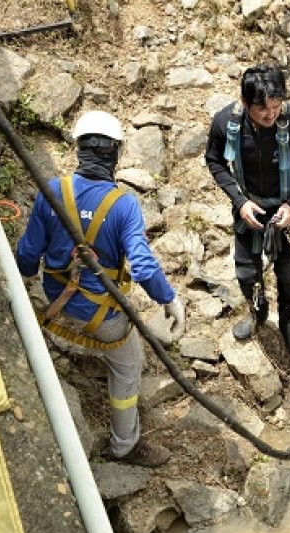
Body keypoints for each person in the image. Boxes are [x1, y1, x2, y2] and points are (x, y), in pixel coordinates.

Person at [16, 110, 185, 468]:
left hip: (55, 299)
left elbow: (28, 253)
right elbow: (142, 265)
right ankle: (125, 446)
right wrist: (168, 299)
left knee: (109, 343)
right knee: (128, 367)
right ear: (116, 154)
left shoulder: (52, 191)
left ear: (79, 149)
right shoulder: (123, 204)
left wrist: (24, 280)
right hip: (98, 314)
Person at [204, 63, 290, 355]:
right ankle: (257, 314)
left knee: (289, 273)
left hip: (286, 210)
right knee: (247, 271)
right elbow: (215, 161)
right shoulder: (226, 123)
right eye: (262, 109)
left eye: (276, 105)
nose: (270, 114)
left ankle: (288, 321)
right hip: (248, 206)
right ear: (246, 102)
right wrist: (240, 201)